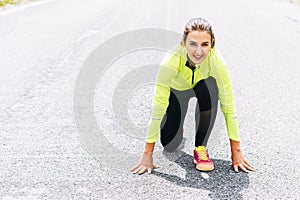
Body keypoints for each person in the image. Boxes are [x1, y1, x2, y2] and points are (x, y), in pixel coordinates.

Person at [131, 17, 255, 174]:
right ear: (183, 43)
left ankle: (200, 148)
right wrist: (147, 154)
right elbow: (158, 108)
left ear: (212, 44)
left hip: (201, 86)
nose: (198, 51)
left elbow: (228, 106)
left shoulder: (216, 62)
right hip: (176, 91)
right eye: (192, 44)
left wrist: (236, 152)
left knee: (211, 87)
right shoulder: (170, 62)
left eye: (205, 44)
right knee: (170, 146)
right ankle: (177, 126)